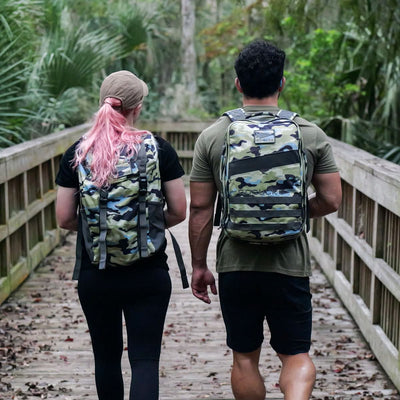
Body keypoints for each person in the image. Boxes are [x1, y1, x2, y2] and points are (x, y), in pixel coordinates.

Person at [189, 40, 342, 400]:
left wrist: (199, 265)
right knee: (296, 355)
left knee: (244, 357)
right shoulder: (310, 134)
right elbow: (332, 200)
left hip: (236, 262)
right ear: (282, 83)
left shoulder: (213, 136)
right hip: (290, 263)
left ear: (238, 84)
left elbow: (199, 209)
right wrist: (297, 211)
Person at [55, 70, 186, 400]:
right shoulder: (159, 149)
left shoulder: (77, 151)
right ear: (137, 107)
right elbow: (179, 210)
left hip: (96, 272)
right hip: (148, 271)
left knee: (106, 359)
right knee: (144, 361)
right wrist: (146, 225)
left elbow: (65, 218)